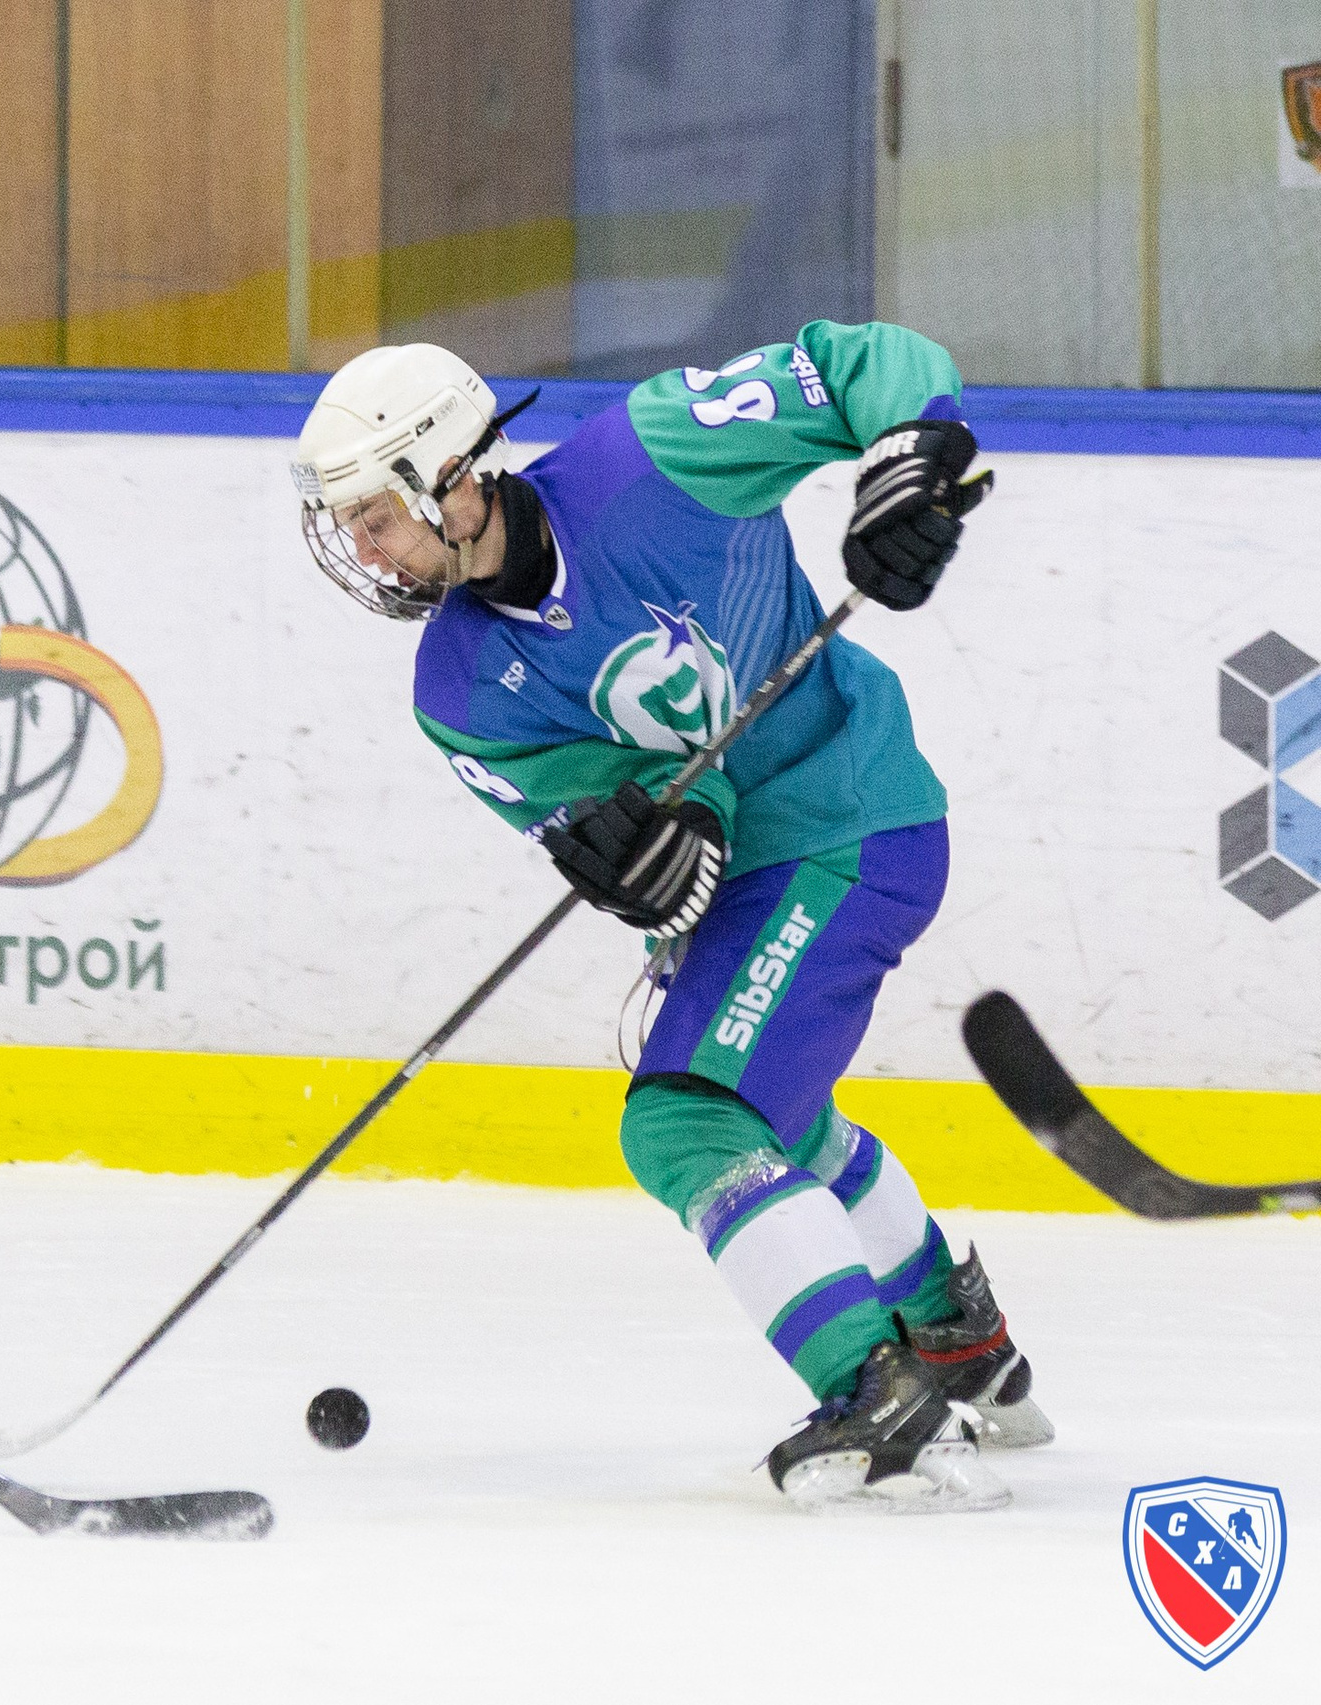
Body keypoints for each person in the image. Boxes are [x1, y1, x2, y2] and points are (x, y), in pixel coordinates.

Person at [290, 322, 1050, 1513]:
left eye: (369, 511)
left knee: (686, 1126)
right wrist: (628, 853)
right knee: (762, 1113)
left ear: (450, 475)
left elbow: (864, 362)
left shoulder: (653, 455)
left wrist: (908, 452)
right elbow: (633, 854)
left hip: (852, 816)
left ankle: (878, 1398)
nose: (357, 543)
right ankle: (954, 1336)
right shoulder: (457, 691)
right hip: (766, 868)